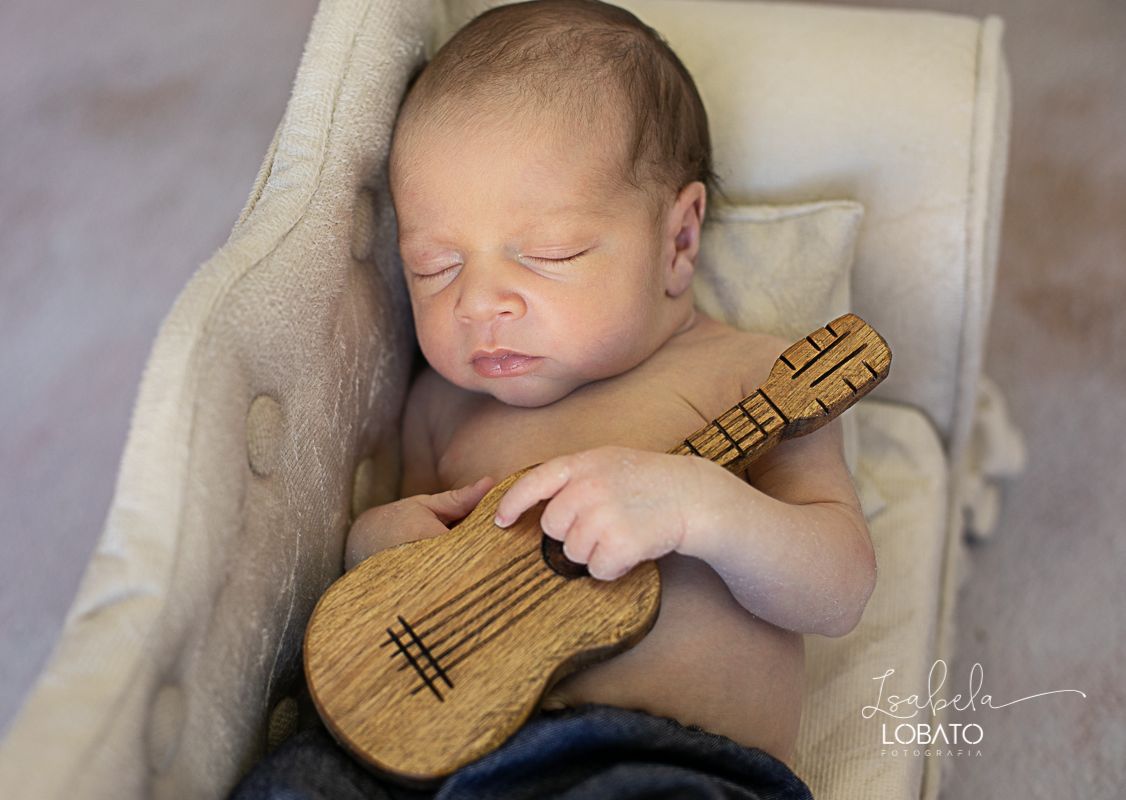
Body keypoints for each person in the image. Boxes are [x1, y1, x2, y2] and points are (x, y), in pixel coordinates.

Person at [233, 2, 873, 797]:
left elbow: (839, 586)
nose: (479, 304)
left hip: (668, 759)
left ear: (677, 242)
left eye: (548, 254)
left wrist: (702, 510)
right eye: (433, 267)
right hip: (432, 744)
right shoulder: (442, 407)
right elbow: (408, 571)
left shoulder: (755, 378)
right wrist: (379, 541)